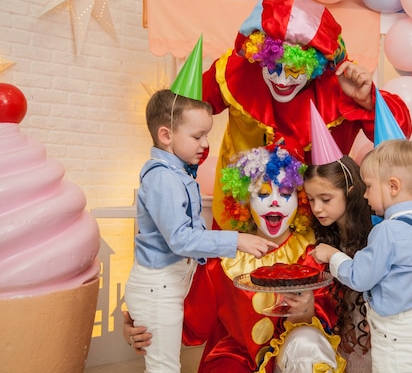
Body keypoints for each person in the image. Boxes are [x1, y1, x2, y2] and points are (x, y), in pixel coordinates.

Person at [126, 145, 347, 373]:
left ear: (300, 199)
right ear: (244, 201)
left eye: (284, 194)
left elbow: (332, 320)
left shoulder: (311, 252)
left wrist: (306, 307)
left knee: (307, 344)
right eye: (262, 194)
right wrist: (141, 321)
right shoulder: (223, 260)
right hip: (235, 358)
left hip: (291, 357)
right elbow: (191, 329)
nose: (274, 202)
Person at [202, 0, 412, 230]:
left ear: (315, 66)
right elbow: (180, 114)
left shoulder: (341, 81)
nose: (281, 80)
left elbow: (399, 139)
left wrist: (367, 99)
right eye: (272, 65)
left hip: (317, 221)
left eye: (294, 70)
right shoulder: (238, 70)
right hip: (244, 218)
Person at [125, 89, 277, 373]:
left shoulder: (177, 174)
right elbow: (180, 239)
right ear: (166, 136)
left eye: (207, 135)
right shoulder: (163, 179)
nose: (205, 144)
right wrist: (236, 240)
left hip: (166, 286)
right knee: (164, 368)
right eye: (198, 136)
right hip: (158, 288)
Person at [310, 139, 412, 373]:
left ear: (393, 186)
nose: (366, 195)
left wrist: (333, 256)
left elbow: (360, 278)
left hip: (397, 340)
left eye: (369, 186)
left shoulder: (387, 230)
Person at [303, 155, 373, 372]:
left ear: (350, 192)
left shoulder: (374, 231)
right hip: (338, 328)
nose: (317, 208)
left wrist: (332, 255)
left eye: (326, 199)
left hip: (370, 333)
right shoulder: (324, 231)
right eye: (311, 199)